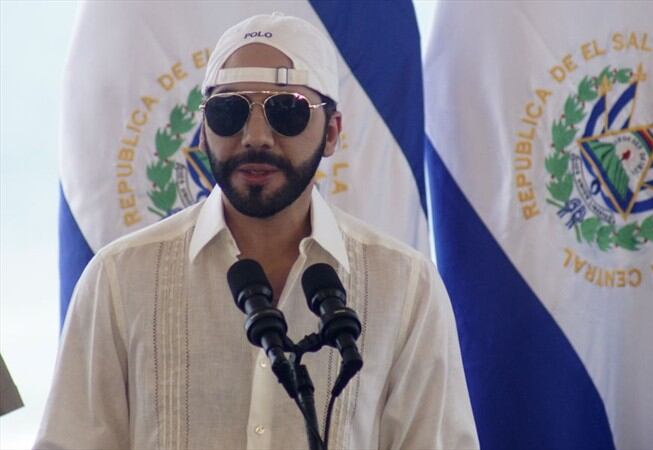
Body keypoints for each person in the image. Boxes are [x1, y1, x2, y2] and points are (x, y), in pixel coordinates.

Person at [35, 13, 478, 450]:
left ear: (332, 133)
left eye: (287, 111)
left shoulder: (404, 286)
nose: (256, 136)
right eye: (230, 112)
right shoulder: (118, 278)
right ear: (204, 130)